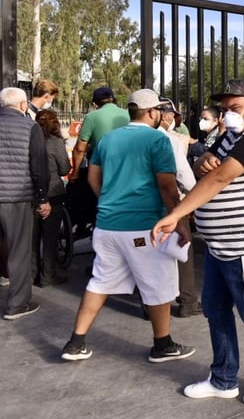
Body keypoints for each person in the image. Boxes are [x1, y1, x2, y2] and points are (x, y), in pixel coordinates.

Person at [152, 79, 244, 408]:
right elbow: (207, 168)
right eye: (225, 109)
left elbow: (219, 178)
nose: (228, 115)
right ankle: (223, 378)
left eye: (235, 108)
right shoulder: (232, 135)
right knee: (216, 310)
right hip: (221, 246)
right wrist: (201, 158)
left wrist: (176, 214)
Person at [60, 89, 194, 362]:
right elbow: (168, 187)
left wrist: (110, 203)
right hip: (145, 225)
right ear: (153, 112)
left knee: (100, 282)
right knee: (158, 285)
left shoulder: (108, 139)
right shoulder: (158, 139)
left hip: (108, 224)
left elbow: (93, 179)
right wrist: (179, 221)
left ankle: (76, 342)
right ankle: (162, 344)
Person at [0, 87, 50, 320]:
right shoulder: (31, 127)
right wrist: (42, 198)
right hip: (16, 198)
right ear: (22, 106)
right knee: (19, 250)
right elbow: (38, 167)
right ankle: (17, 304)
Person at [157, 98, 200, 318]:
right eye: (173, 114)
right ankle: (188, 300)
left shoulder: (120, 138)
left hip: (141, 206)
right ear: (164, 115)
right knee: (183, 248)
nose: (175, 118)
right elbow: (184, 176)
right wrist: (193, 200)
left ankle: (151, 305)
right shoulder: (169, 140)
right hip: (171, 203)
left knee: (150, 253)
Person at [32, 110, 71, 288]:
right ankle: (48, 275)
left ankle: (31, 274)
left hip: (31, 193)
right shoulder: (55, 143)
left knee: (32, 237)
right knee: (50, 237)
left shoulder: (29, 139)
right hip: (53, 192)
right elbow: (64, 169)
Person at [68, 86, 129, 182]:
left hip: (101, 171)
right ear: (113, 99)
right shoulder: (128, 114)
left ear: (95, 103)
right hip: (127, 169)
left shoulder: (91, 117)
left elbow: (80, 149)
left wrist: (75, 173)